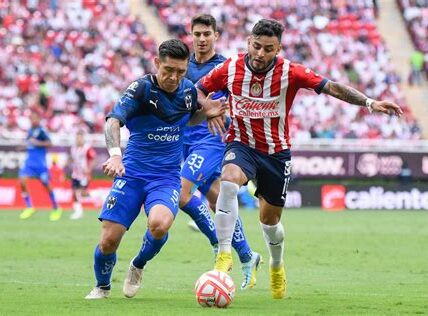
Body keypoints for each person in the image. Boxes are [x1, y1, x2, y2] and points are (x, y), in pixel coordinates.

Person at [196, 19, 403, 299]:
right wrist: (208, 106)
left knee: (270, 222)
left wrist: (369, 103)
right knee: (229, 182)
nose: (260, 54)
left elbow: (332, 87)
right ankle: (223, 255)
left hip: (276, 153)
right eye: (256, 46)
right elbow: (197, 90)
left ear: (278, 48)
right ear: (248, 42)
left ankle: (276, 264)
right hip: (241, 144)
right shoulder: (229, 68)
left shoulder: (290, 72)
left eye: (268, 49)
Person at [85, 39, 226, 299]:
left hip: (166, 178)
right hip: (132, 174)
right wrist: (115, 156)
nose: (174, 77)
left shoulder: (188, 91)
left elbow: (191, 115)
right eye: (168, 70)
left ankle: (138, 264)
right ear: (157, 63)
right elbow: (113, 121)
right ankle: (102, 286)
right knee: (108, 241)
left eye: (181, 72)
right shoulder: (140, 89)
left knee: (159, 225)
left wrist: (206, 113)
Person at [179, 14, 261, 290]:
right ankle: (249, 256)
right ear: (191, 35)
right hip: (184, 140)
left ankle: (218, 244)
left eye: (207, 34)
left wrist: (219, 113)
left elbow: (237, 101)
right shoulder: (183, 66)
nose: (202, 39)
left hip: (212, 140)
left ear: (216, 36)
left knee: (181, 193)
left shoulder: (225, 67)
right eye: (197, 34)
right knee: (216, 201)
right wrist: (205, 108)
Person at [19, 110, 62, 221]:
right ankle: (29, 207)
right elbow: (29, 144)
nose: (33, 120)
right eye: (32, 118)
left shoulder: (42, 131)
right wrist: (24, 146)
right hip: (29, 163)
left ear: (39, 119)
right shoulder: (29, 131)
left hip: (40, 164)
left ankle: (56, 208)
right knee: (22, 181)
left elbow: (50, 143)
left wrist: (37, 143)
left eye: (35, 118)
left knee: (45, 184)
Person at [69, 129, 96, 219]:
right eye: (77, 138)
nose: (78, 140)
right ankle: (78, 211)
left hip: (84, 175)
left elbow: (93, 159)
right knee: (74, 192)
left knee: (81, 192)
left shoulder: (87, 148)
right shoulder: (73, 148)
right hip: (75, 174)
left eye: (80, 138)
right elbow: (72, 159)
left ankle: (97, 195)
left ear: (83, 138)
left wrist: (89, 169)